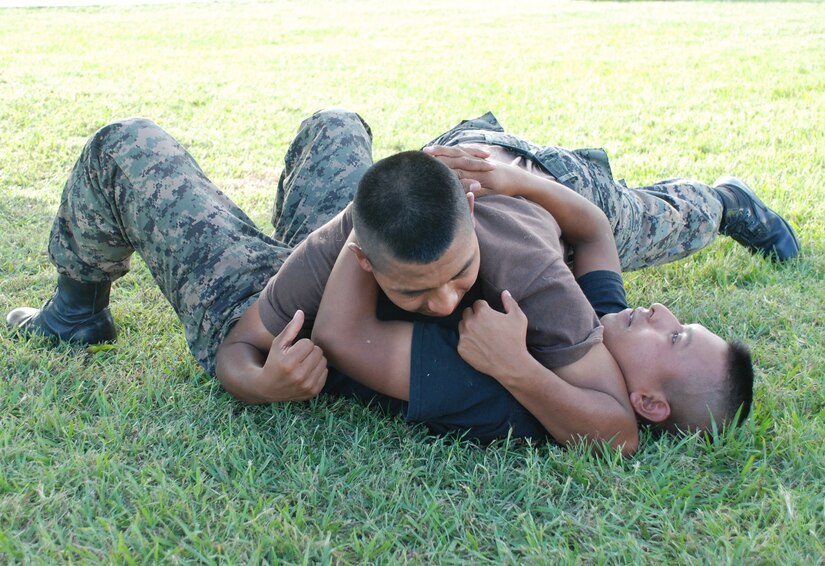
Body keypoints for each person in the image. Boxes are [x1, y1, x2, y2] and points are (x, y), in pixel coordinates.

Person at [5, 109, 795, 451]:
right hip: (372, 239)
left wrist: (267, 375)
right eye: (679, 323)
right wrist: (519, 182)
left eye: (677, 333)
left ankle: (74, 315)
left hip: (304, 290)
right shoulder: (575, 307)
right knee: (336, 125)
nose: (664, 311)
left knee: (128, 147)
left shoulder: (515, 372)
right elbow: (589, 229)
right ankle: (717, 199)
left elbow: (616, 438)